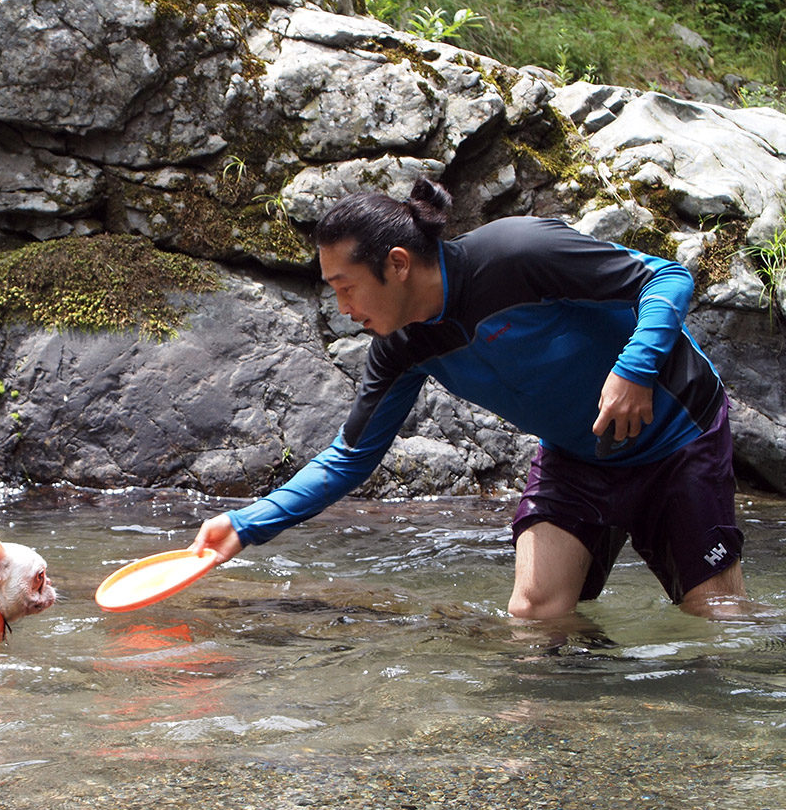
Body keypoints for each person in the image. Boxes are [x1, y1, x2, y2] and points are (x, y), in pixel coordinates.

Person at [191, 178, 748, 620]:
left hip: (678, 436)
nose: (342, 308)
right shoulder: (400, 348)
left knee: (716, 616)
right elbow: (351, 457)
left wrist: (635, 369)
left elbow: (666, 277)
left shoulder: (517, 252)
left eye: (346, 286)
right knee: (534, 613)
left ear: (398, 264)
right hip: (581, 457)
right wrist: (245, 524)